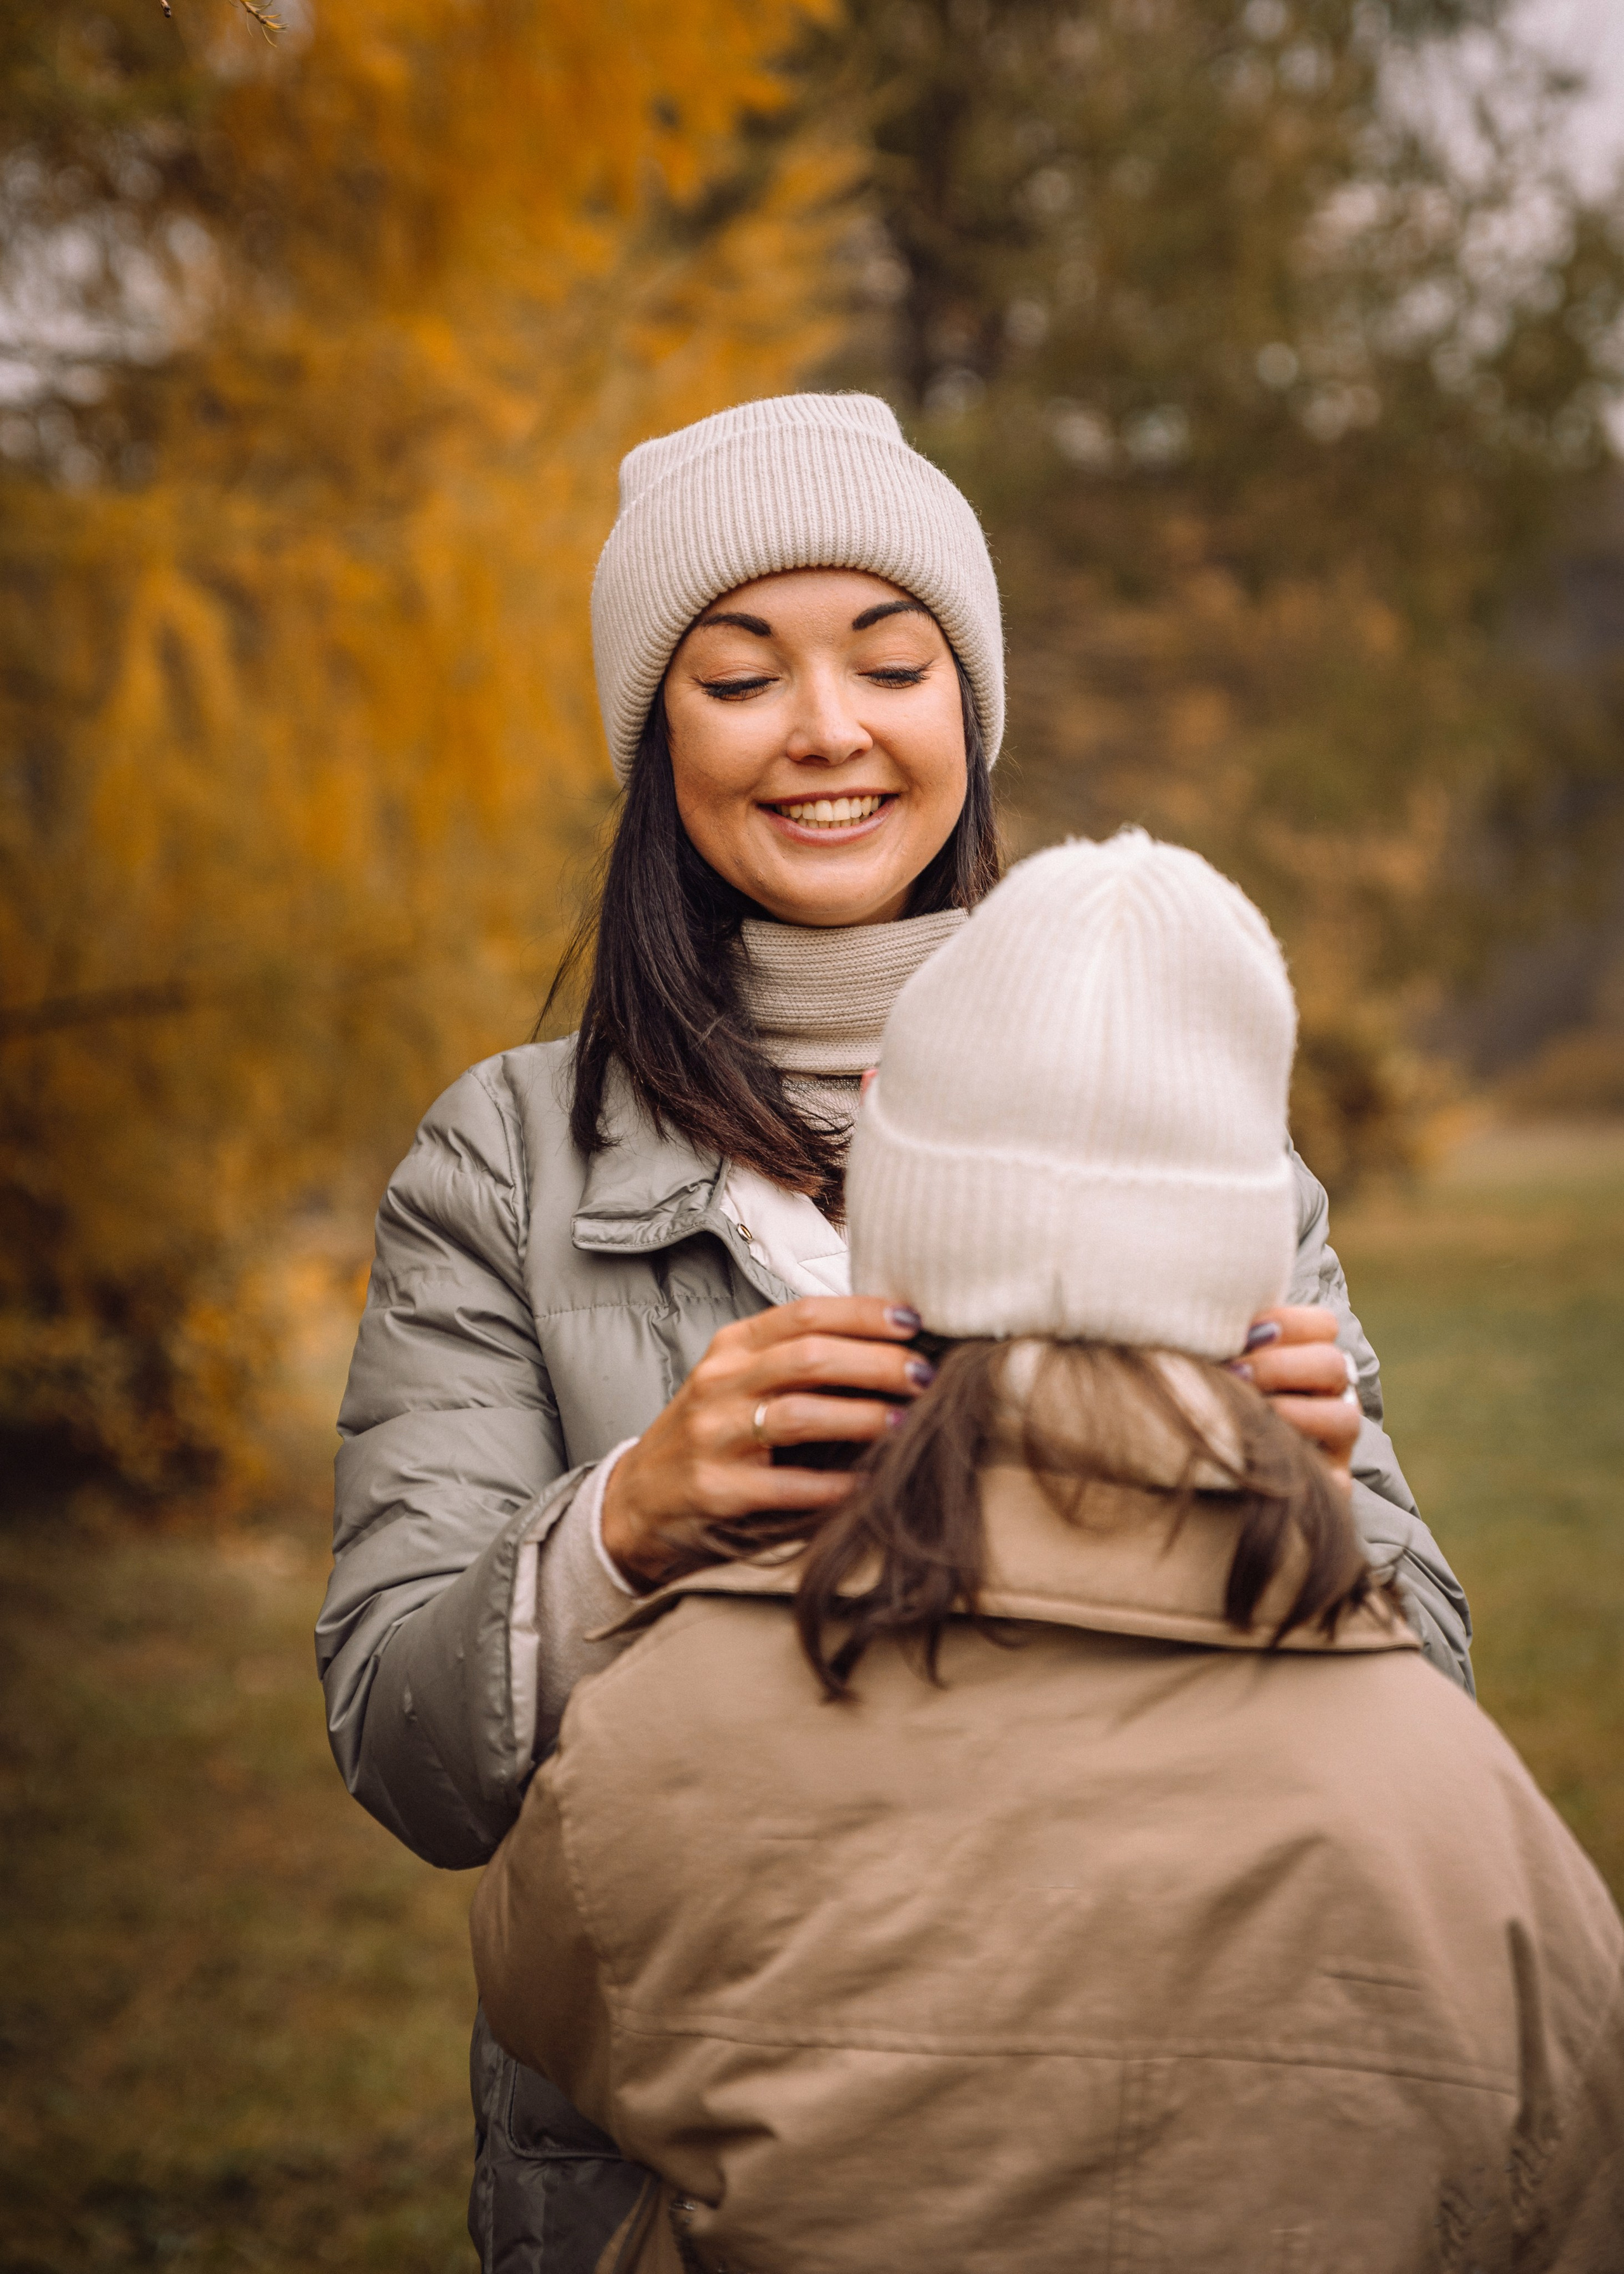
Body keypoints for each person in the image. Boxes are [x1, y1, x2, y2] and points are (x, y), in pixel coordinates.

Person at [315, 394, 1473, 2270]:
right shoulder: (510, 1164)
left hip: (1132, 2153)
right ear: (652, 738)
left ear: (968, 710)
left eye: (893, 659)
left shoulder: (1199, 1126)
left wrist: (1311, 1507)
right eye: (739, 674)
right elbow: (407, 1748)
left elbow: (1426, 1722)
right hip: (674, 2189)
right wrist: (626, 1520)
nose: (829, 728)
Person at [471, 833, 1624, 2274]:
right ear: (1251, 1288)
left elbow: (539, 1986)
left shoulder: (668, 1724)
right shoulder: (1473, 1825)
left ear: (886, 1233)